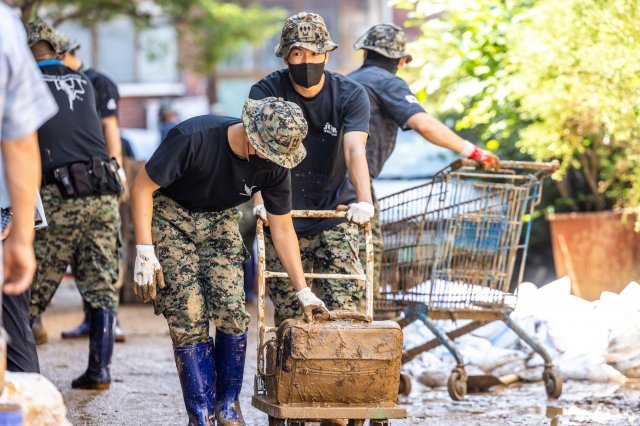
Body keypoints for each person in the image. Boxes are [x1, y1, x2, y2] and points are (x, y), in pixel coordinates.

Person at [130, 97, 327, 425]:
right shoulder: (193, 138)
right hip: (172, 215)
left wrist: (303, 290)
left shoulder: (275, 165)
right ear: (253, 136)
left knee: (233, 311)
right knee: (187, 314)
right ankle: (201, 414)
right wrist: (144, 250)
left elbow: (282, 228)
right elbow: (140, 188)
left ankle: (227, 407)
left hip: (220, 218)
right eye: (269, 152)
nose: (274, 161)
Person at [347, 23, 500, 293]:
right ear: (402, 61)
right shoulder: (386, 82)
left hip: (326, 184)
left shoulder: (346, 82)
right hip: (355, 186)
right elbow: (425, 125)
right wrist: (474, 152)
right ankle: (356, 328)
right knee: (364, 261)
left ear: (365, 53)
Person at [249, 12, 374, 327]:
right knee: (292, 315)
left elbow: (354, 147)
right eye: (297, 53)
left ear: (327, 54)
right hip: (282, 214)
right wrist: (259, 202)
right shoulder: (266, 93)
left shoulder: (350, 94)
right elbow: (257, 150)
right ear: (286, 56)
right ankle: (288, 375)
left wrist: (365, 200)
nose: (307, 60)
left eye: (315, 53)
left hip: (333, 212)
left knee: (345, 307)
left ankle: (341, 373)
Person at [26, 19, 124, 390]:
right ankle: (100, 372)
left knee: (31, 289)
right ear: (59, 50)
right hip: (101, 191)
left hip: (58, 194)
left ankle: (18, 375)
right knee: (100, 283)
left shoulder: (23, 82)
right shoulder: (84, 81)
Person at [48, 31, 127, 343]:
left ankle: (112, 321)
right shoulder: (58, 82)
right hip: (72, 178)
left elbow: (110, 127)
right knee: (84, 256)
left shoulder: (96, 81)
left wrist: (116, 167)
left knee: (105, 252)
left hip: (100, 176)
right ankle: (89, 319)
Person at [0, 5, 58, 374]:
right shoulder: (4, 25)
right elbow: (21, 139)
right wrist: (21, 235)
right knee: (13, 322)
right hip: (4, 209)